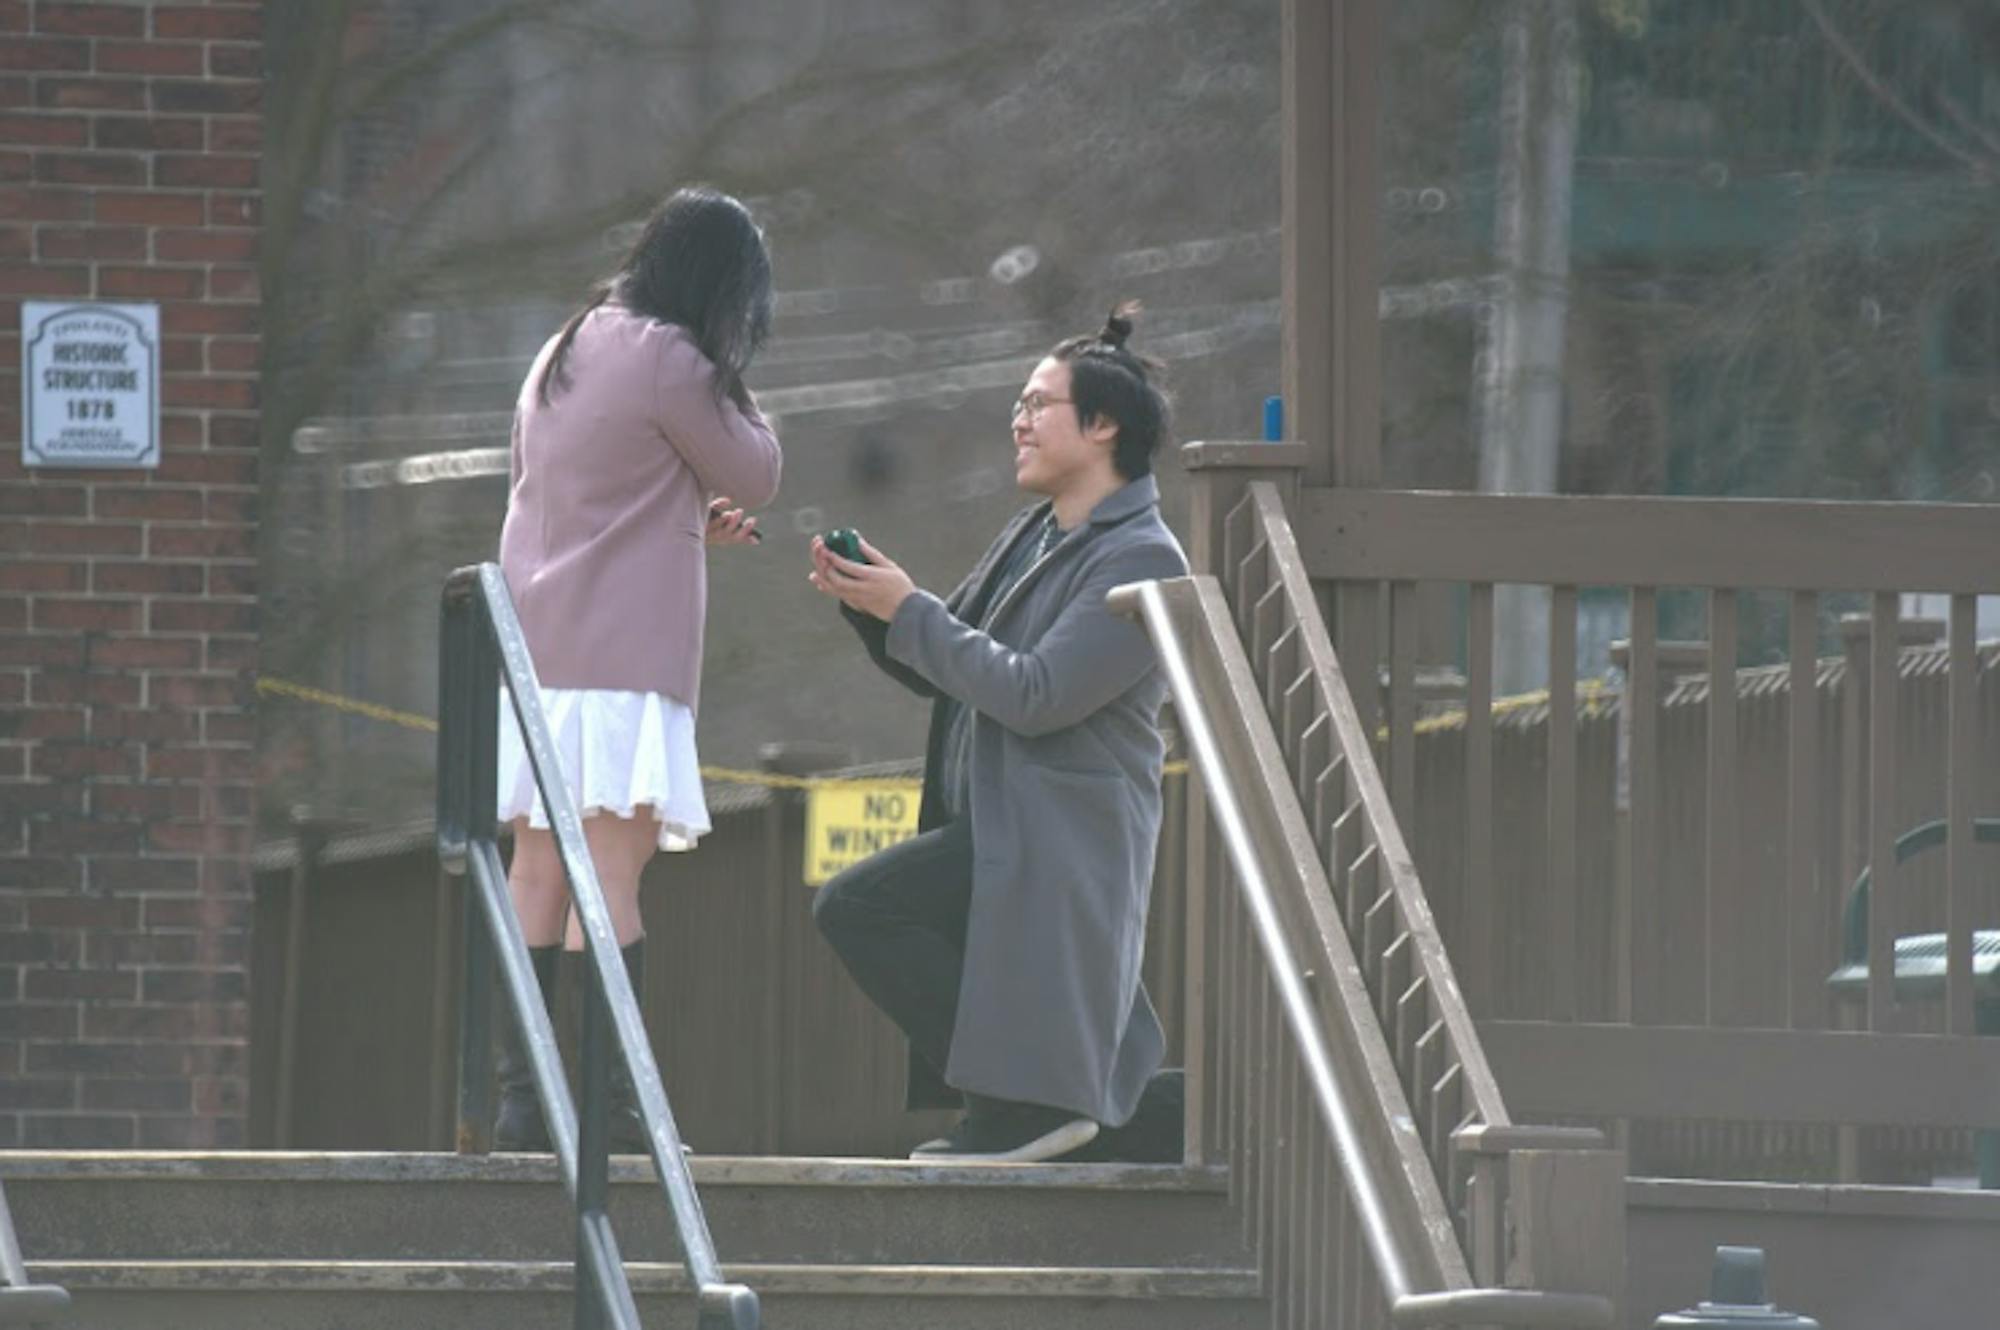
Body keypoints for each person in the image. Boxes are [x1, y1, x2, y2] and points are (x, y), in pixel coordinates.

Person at [807, 304, 1187, 1162]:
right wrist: (877, 609)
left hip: (1059, 835)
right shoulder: (1036, 533)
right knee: (1096, 1076)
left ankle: (1024, 1112)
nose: (1017, 421)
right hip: (1001, 820)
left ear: (1102, 426)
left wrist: (911, 610)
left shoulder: (1144, 558)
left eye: (1037, 404)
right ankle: (1052, 1116)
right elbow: (950, 662)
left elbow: (1036, 694)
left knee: (860, 906)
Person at [491, 186, 781, 1153]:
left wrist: (682, 523)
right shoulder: (669, 355)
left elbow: (595, 494)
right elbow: (760, 470)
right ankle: (612, 1111)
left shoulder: (568, 342)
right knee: (611, 873)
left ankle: (524, 1108)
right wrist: (727, 380)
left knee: (537, 868)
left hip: (536, 649)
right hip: (622, 662)